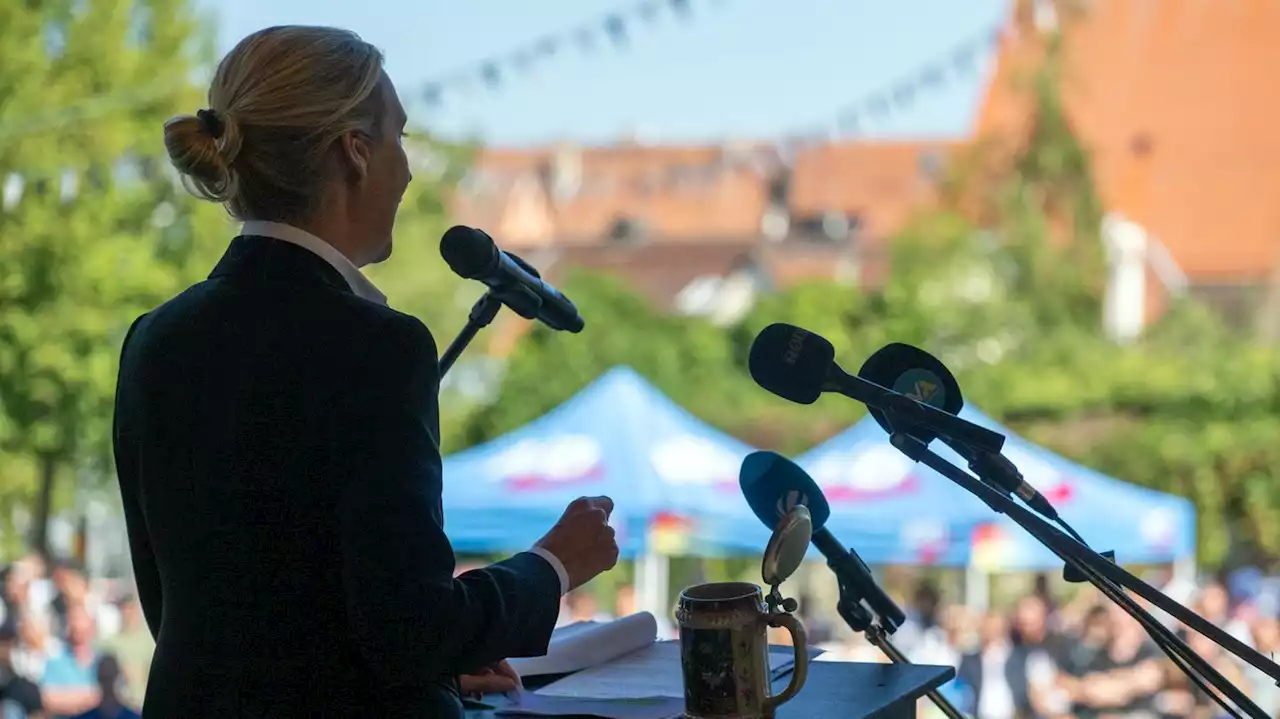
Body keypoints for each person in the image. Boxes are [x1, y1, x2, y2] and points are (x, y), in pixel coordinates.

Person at [113, 25, 619, 718]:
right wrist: (553, 564)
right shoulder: (378, 347)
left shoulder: (154, 340)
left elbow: (190, 608)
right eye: (400, 138)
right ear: (355, 151)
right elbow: (412, 625)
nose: (408, 171)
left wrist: (428, 667)